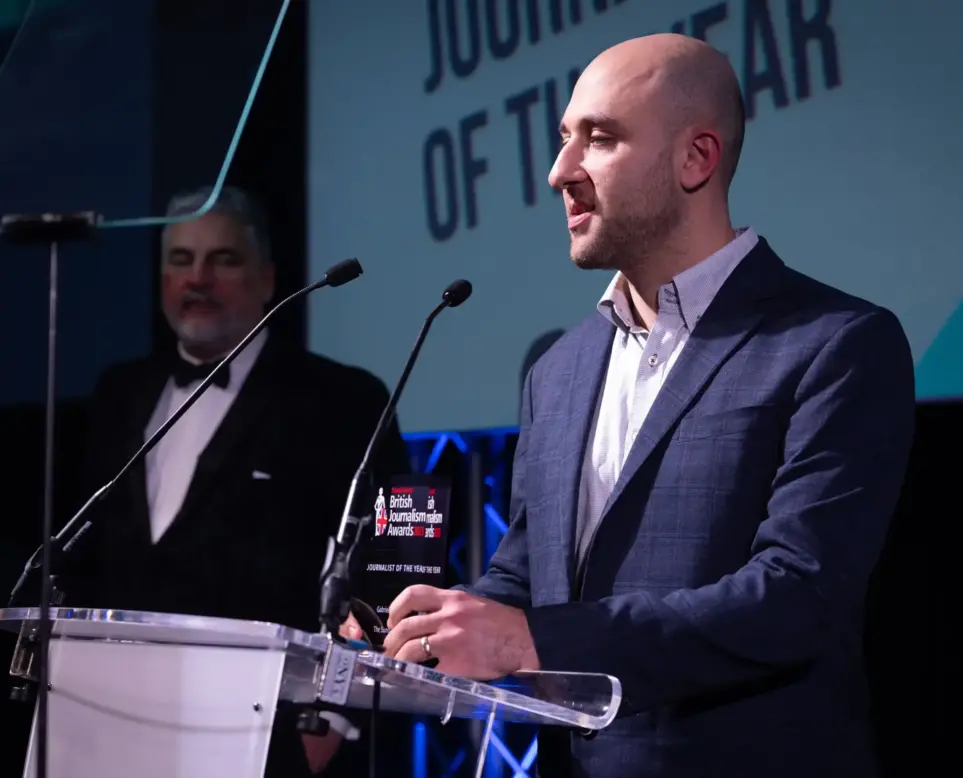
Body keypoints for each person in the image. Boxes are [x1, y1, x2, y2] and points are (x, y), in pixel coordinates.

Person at [359, 34, 917, 777]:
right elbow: (526, 583)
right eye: (564, 139)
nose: (561, 171)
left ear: (697, 158)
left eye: (600, 139)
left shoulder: (836, 344)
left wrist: (530, 640)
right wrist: (427, 626)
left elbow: (798, 596)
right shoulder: (557, 370)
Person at [64, 186, 411, 776]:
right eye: (180, 260)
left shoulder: (343, 400)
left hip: (270, 731)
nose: (197, 278)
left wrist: (336, 714)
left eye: (222, 259)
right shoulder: (116, 394)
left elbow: (389, 563)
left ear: (268, 278)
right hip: (110, 720)